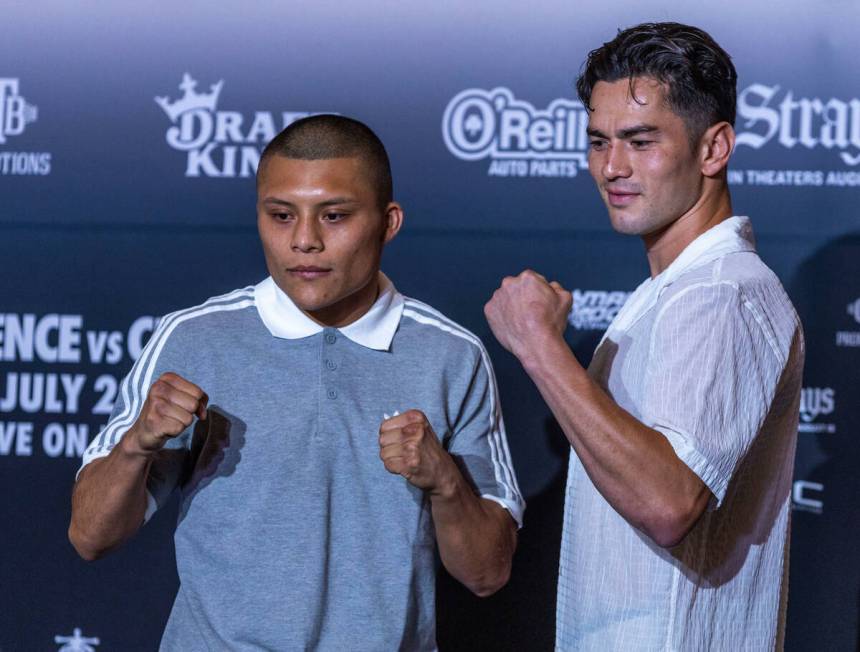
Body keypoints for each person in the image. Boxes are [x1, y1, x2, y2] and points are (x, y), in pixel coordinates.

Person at [69, 115, 523, 651]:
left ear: (388, 222)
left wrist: (445, 481)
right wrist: (136, 445)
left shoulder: (450, 355)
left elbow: (487, 573)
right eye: (281, 216)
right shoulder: (193, 339)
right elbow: (90, 537)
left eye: (334, 216)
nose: (304, 241)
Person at [484, 22, 803, 651]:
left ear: (714, 149)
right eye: (599, 141)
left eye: (640, 141)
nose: (611, 167)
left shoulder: (720, 293)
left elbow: (668, 503)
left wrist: (542, 348)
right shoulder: (677, 288)